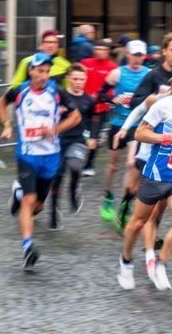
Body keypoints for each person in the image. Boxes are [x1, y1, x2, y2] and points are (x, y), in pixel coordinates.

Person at [116, 63, 172, 291]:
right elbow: (139, 133)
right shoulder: (162, 106)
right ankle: (126, 261)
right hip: (155, 176)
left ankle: (161, 263)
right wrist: (165, 138)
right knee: (137, 223)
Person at [0, 53, 82, 269]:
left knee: (37, 207)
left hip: (51, 156)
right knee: (29, 200)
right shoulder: (20, 91)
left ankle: (17, 192)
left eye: (47, 71)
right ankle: (27, 247)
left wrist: (55, 129)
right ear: (31, 71)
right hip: (27, 154)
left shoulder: (57, 91)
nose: (44, 76)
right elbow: (1, 102)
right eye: (40, 71)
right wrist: (6, 125)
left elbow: (76, 117)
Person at [97, 39, 151, 229]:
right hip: (117, 124)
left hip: (136, 126)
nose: (137, 59)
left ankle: (124, 204)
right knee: (112, 166)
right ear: (127, 54)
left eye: (140, 55)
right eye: (134, 55)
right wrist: (113, 99)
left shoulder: (149, 75)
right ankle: (108, 195)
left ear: (144, 56)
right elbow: (101, 94)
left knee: (130, 163)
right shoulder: (118, 73)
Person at [48, 63, 98, 230]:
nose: (78, 82)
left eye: (82, 79)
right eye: (75, 79)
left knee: (75, 167)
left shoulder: (89, 100)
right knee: (57, 177)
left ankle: (73, 191)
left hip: (77, 140)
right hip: (57, 141)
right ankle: (54, 213)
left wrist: (93, 136)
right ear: (68, 79)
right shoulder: (58, 97)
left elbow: (94, 119)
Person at [79, 39, 118, 176]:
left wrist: (108, 99)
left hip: (100, 108)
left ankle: (89, 165)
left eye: (103, 50)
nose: (100, 52)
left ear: (108, 51)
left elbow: (113, 88)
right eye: (98, 49)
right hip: (82, 106)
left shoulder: (112, 67)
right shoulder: (85, 63)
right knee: (82, 134)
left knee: (93, 137)